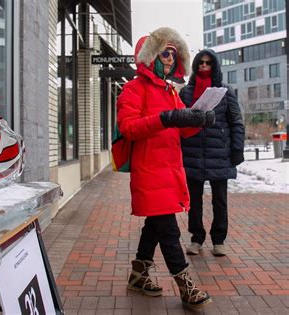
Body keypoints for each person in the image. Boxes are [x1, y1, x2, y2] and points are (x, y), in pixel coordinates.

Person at [116, 27, 215, 310]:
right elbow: (129, 128)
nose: (170, 59)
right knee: (169, 230)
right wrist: (166, 117)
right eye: (164, 53)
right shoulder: (132, 89)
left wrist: (198, 120)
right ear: (150, 56)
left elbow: (180, 131)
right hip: (149, 171)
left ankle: (138, 275)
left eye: (173, 54)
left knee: (155, 227)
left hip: (170, 170)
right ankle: (186, 288)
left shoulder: (171, 91)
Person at [179, 49, 245, 257]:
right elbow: (177, 122)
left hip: (220, 153)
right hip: (192, 153)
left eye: (208, 63)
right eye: (201, 63)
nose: (204, 66)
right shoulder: (186, 93)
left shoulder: (226, 91)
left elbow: (236, 121)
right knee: (194, 200)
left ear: (215, 66)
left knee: (220, 200)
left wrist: (237, 149)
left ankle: (219, 240)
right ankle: (196, 239)